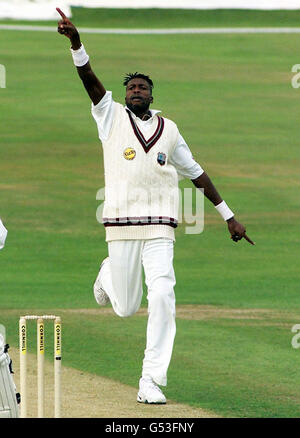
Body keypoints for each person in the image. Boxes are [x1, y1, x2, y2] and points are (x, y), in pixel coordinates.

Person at [57, 8, 254, 405]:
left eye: (143, 87)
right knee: (127, 308)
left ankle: (151, 380)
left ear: (152, 94)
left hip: (161, 228)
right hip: (121, 226)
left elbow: (197, 173)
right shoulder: (109, 117)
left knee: (163, 292)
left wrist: (228, 214)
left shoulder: (171, 131)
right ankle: (108, 273)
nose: (137, 91)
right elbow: (90, 83)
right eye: (131, 87)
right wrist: (77, 44)